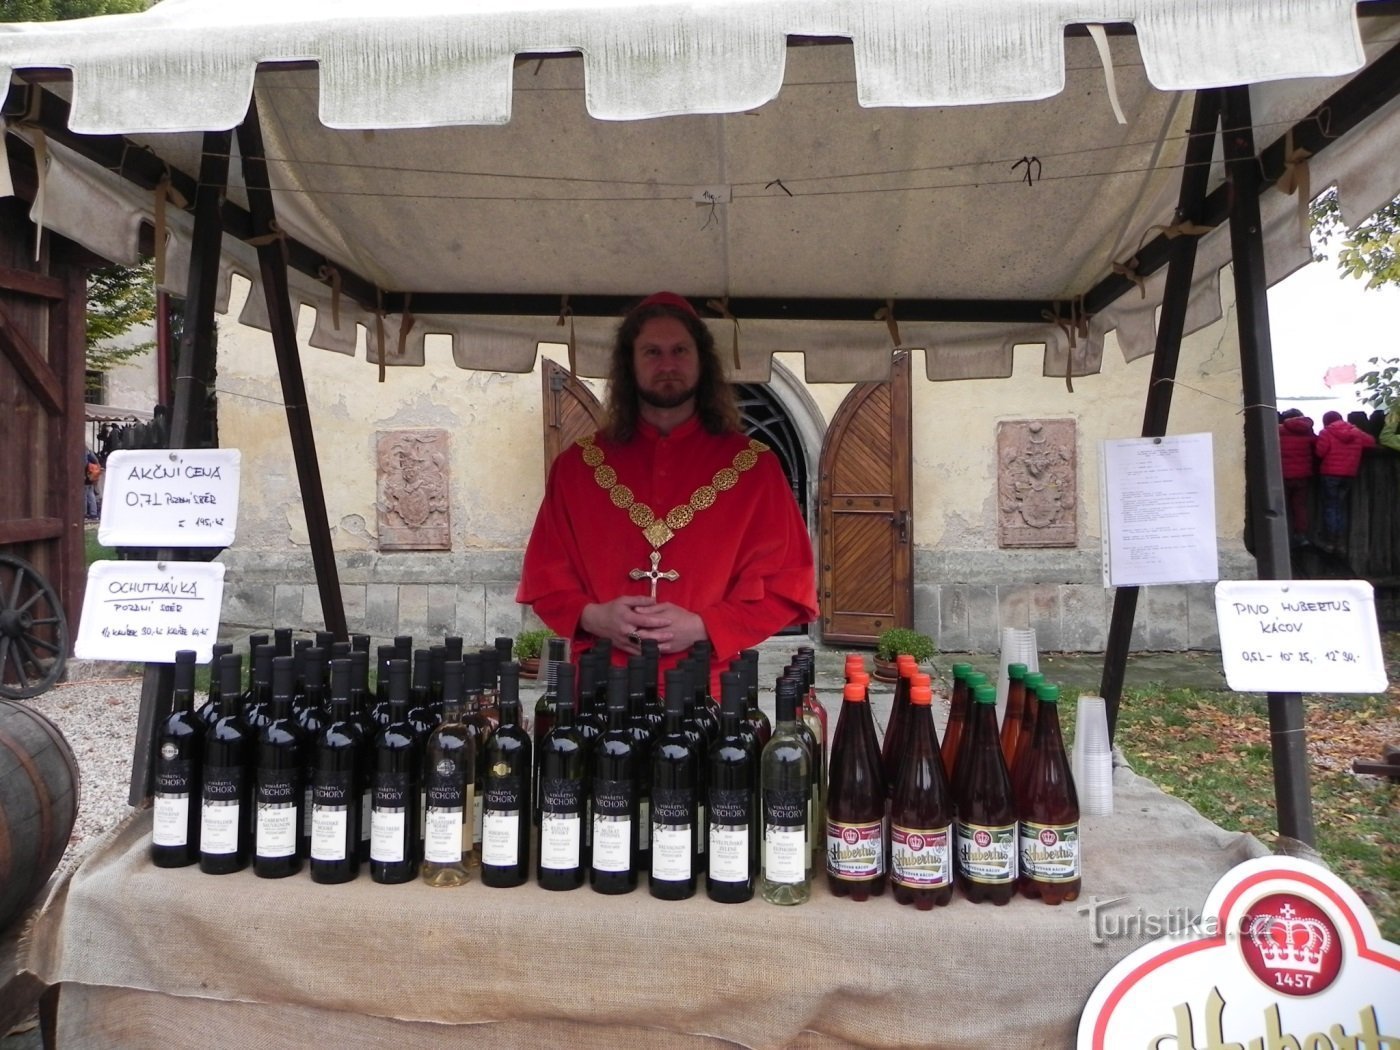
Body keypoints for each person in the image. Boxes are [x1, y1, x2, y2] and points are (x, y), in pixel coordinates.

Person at [516, 292, 818, 691]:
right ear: (629, 363)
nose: (668, 364)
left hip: (708, 695)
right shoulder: (576, 468)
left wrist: (702, 624)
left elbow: (788, 588)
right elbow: (545, 576)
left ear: (702, 361)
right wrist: (593, 617)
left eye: (680, 350)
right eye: (652, 352)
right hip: (601, 691)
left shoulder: (756, 469)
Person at [1314, 409, 1376, 548]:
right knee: (1340, 506)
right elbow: (1371, 442)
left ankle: (1330, 540)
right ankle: (1340, 541)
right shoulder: (1356, 432)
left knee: (1330, 506)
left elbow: (1320, 452)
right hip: (1349, 474)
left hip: (1330, 474)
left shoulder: (1326, 432)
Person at [1277, 409, 1316, 547]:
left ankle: (1280, 535)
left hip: (1283, 475)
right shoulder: (1307, 431)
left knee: (1280, 506)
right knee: (1300, 507)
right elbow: (1317, 447)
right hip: (1302, 476)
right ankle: (1301, 535)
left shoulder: (1278, 431)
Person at [83, 447, 102, 521]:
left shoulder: (82, 451)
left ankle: (84, 513)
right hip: (91, 475)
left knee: (84, 495)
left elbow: (83, 464)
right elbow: (96, 461)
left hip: (86, 475)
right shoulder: (89, 451)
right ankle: (93, 513)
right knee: (91, 494)